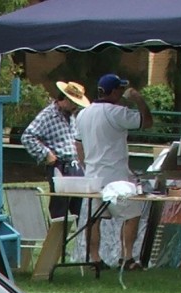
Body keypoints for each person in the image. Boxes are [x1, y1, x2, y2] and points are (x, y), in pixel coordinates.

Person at [75, 73, 152, 267]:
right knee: (131, 215)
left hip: (93, 176)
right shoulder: (117, 113)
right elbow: (146, 122)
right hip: (116, 176)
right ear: (115, 91)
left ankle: (95, 258)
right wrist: (138, 99)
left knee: (94, 219)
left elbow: (79, 145)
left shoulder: (83, 113)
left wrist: (86, 166)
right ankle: (126, 257)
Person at [20, 80, 89, 223]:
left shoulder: (71, 116)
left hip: (75, 166)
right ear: (63, 99)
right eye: (73, 102)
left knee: (80, 209)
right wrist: (46, 154)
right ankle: (57, 243)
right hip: (60, 166)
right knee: (60, 211)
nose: (75, 106)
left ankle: (81, 243)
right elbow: (27, 136)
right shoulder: (47, 115)